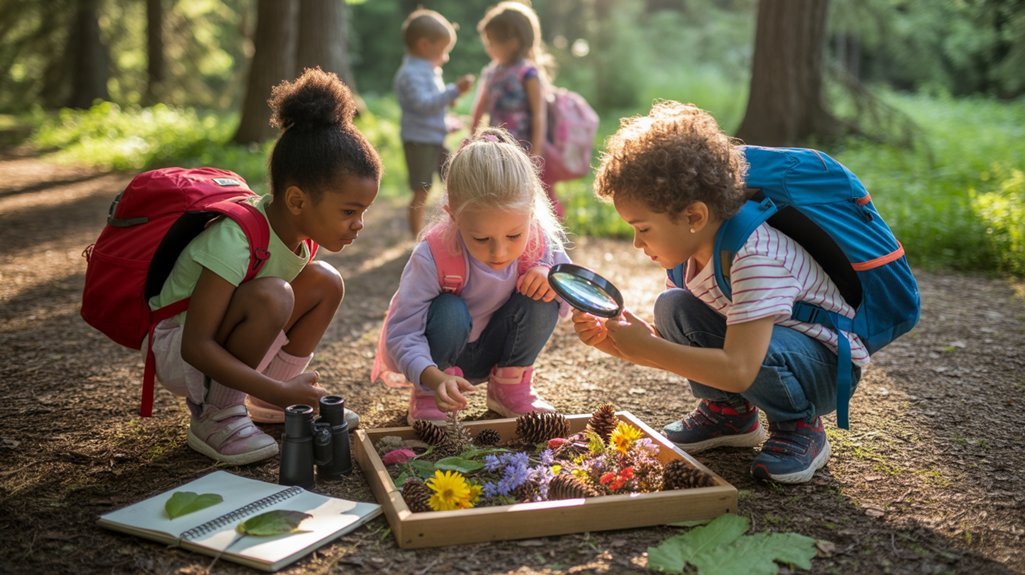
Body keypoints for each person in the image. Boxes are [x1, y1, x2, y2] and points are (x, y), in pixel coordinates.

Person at [572, 101, 868, 484]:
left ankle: (800, 426)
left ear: (694, 217)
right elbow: (690, 349)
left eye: (643, 228)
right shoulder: (689, 252)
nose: (635, 243)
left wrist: (646, 350)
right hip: (768, 350)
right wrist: (623, 345)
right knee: (673, 306)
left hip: (824, 365)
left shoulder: (754, 256)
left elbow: (740, 366)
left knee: (751, 350)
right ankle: (730, 414)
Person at [146, 68, 381, 465]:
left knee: (326, 281)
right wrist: (279, 390)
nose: (359, 224)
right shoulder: (235, 239)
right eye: (349, 211)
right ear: (296, 200)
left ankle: (266, 399)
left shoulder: (299, 235)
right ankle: (216, 416)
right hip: (180, 349)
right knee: (274, 295)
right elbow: (196, 345)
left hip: (223, 339)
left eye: (362, 212)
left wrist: (278, 390)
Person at [372, 127, 570, 425]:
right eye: (481, 239)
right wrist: (431, 376)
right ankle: (428, 395)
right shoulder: (433, 255)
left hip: (498, 350)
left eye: (514, 235)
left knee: (548, 288)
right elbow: (401, 332)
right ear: (453, 215)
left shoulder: (540, 244)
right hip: (440, 364)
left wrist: (551, 277)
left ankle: (509, 388)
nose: (499, 251)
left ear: (531, 211)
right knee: (449, 309)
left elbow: (573, 299)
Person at [470, 1, 563, 218]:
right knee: (498, 186)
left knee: (530, 189)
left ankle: (544, 230)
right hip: (495, 143)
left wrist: (537, 152)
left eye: (492, 43)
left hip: (524, 143)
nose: (488, 48)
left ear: (512, 42)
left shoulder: (528, 73)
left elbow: (539, 114)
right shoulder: (491, 72)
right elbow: (479, 108)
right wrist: (472, 135)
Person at [395, 8, 475, 237]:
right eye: (442, 50)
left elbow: (431, 107)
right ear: (424, 45)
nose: (446, 57)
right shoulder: (410, 74)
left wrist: (448, 118)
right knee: (422, 189)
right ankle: (416, 237)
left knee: (453, 180)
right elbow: (422, 104)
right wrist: (454, 91)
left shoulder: (429, 71)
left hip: (433, 137)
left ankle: (460, 229)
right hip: (419, 141)